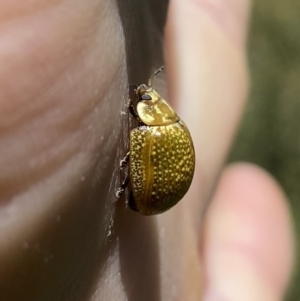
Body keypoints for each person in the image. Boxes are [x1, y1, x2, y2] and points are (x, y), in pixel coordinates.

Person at [0, 0, 294, 300]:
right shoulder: (163, 127)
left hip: (147, 197)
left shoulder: (156, 131)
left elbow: (139, 155)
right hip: (151, 203)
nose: (144, 96)